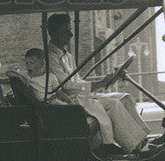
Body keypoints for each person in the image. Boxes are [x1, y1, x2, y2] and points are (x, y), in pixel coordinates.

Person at [44, 13, 150, 152]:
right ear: (53, 33)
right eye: (66, 31)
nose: (70, 34)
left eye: (70, 30)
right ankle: (136, 147)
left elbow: (77, 81)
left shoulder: (67, 56)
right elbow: (67, 86)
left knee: (125, 98)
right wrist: (99, 84)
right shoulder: (50, 57)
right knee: (114, 104)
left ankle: (144, 141)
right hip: (70, 102)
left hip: (81, 96)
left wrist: (105, 80)